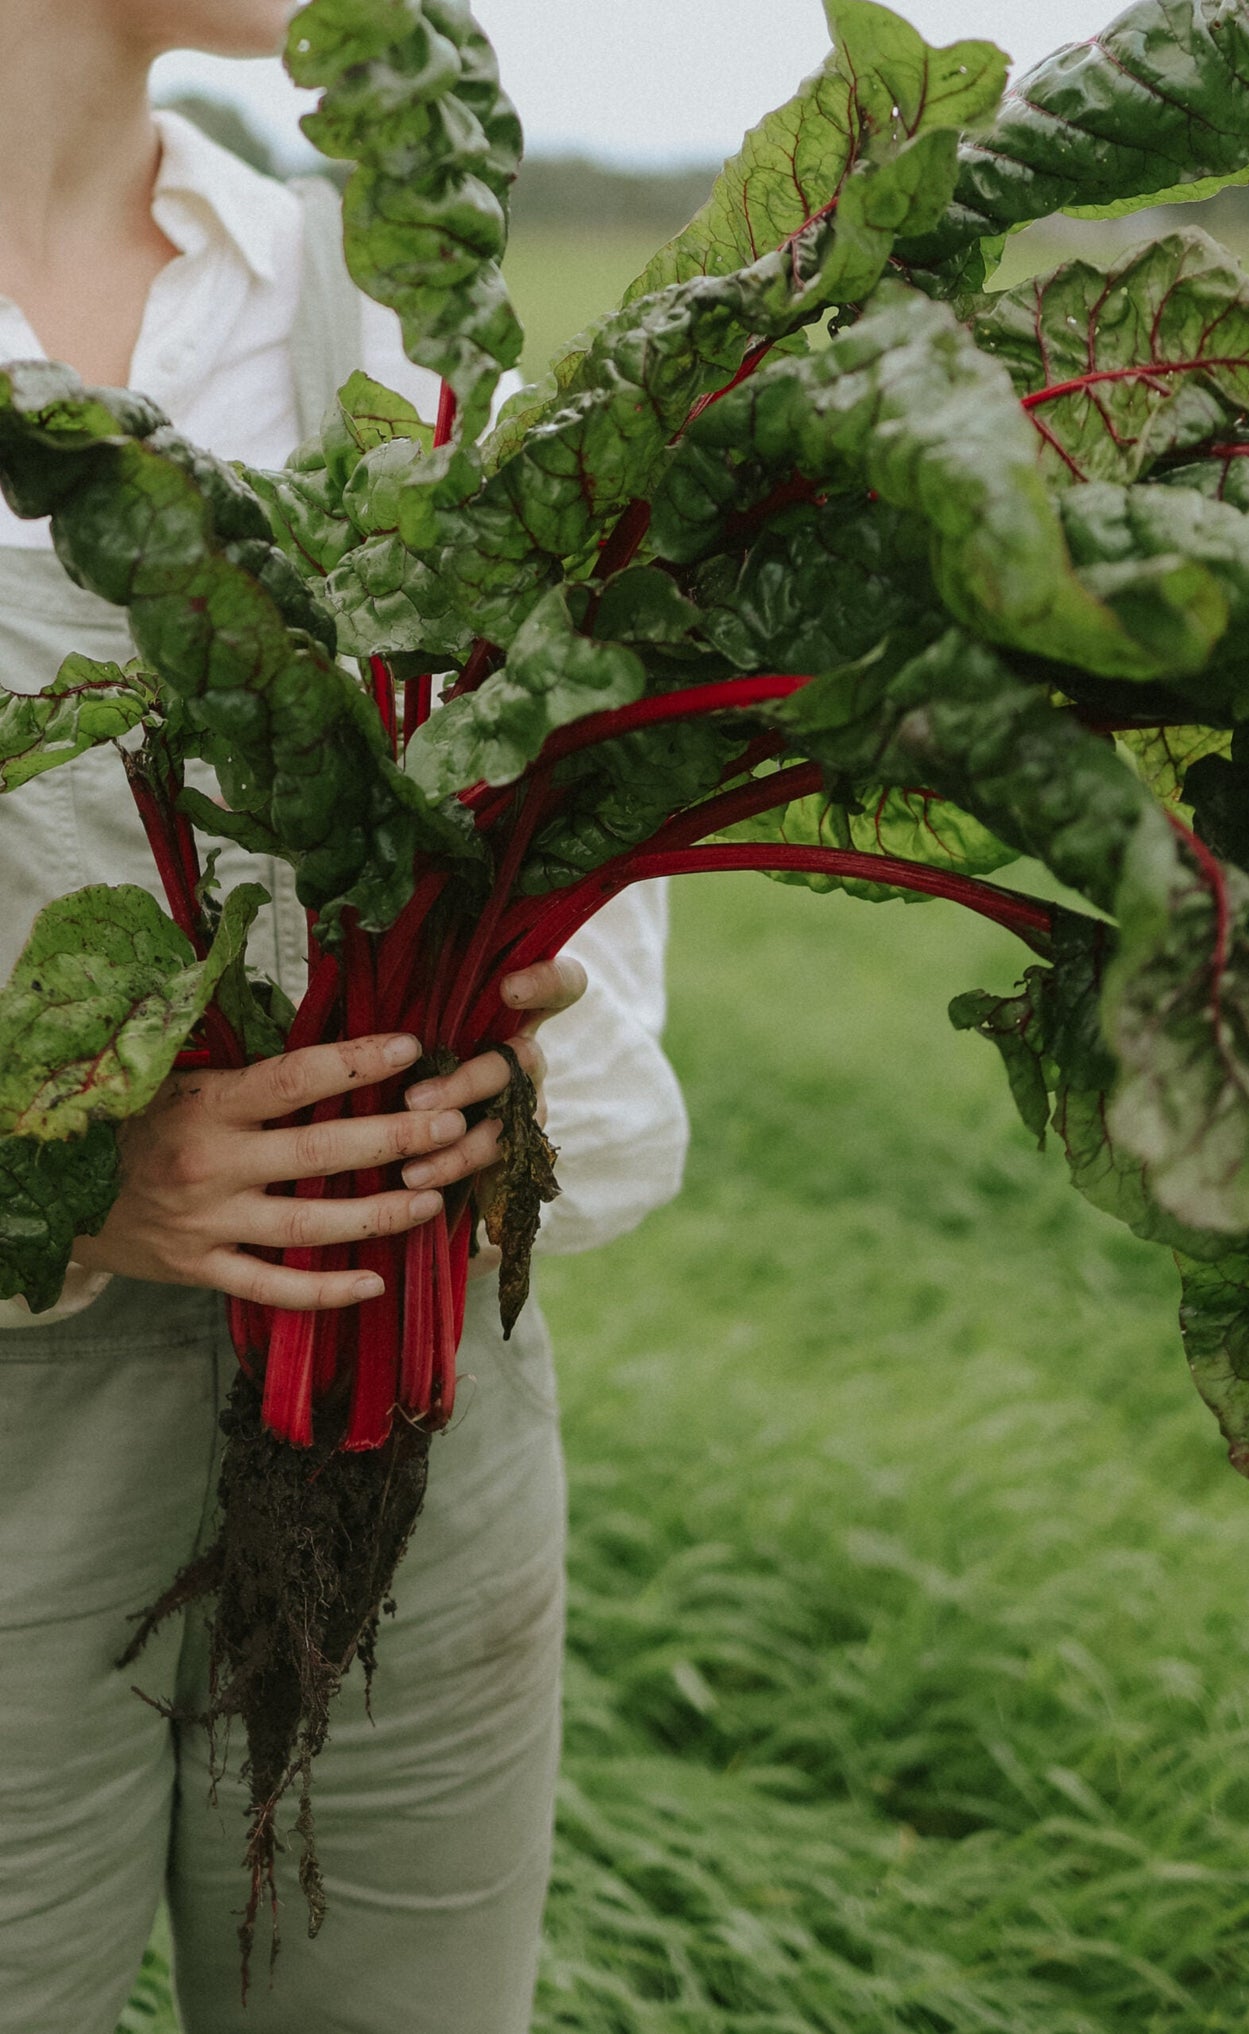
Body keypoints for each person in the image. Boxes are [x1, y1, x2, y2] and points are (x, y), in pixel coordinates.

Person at [0, 4, 689, 2031]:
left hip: (422, 1379)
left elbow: (567, 787)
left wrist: (524, 1028)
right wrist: (64, 1180)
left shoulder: (364, 299)